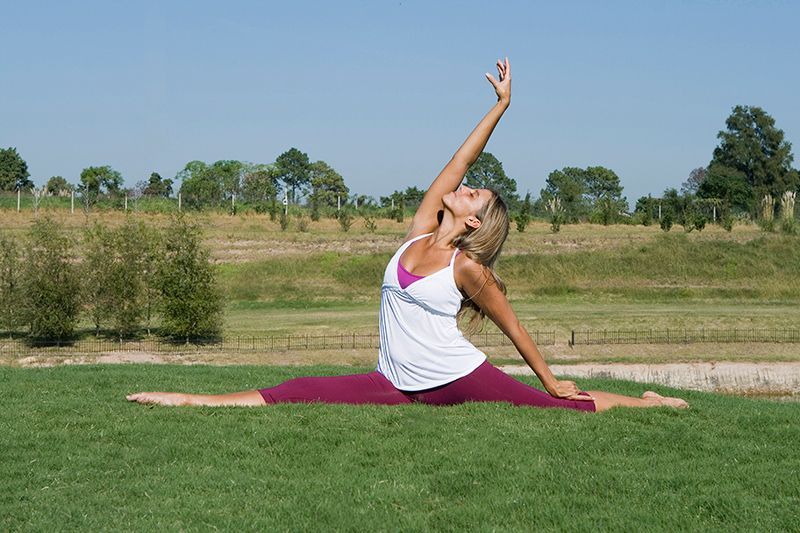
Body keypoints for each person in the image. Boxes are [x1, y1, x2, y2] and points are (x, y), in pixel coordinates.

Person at [127, 58, 688, 412]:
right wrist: (500, 108)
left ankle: (650, 404)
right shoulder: (419, 232)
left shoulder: (466, 268)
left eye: (475, 194)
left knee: (560, 408)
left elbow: (512, 326)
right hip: (394, 382)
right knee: (301, 387)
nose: (464, 186)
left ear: (473, 222)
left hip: (453, 377)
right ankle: (189, 399)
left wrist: (553, 379)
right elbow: (456, 158)